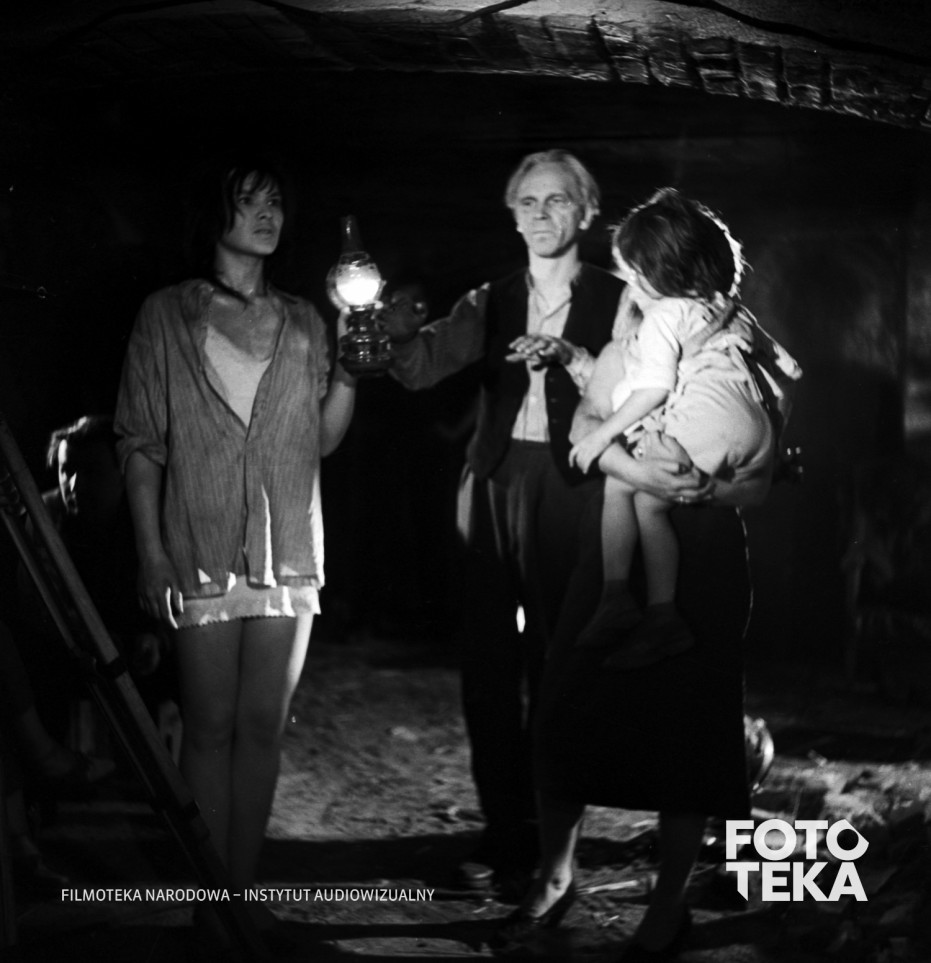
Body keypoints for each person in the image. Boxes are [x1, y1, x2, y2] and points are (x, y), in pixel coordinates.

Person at [498, 262, 788, 961]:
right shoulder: (627, 344)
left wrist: (707, 488)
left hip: (705, 555)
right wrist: (639, 471)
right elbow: (590, 425)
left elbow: (761, 471)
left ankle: (666, 907)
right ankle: (554, 875)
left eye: (646, 275)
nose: (636, 289)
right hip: (614, 556)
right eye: (634, 278)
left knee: (688, 727)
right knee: (568, 700)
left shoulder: (734, 350)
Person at [114, 155, 357, 920]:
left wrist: (351, 372)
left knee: (261, 725)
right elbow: (140, 442)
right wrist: (151, 552)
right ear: (212, 213)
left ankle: (239, 897)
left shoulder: (304, 319)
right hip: (201, 543)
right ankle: (207, 900)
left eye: (274, 200)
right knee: (209, 724)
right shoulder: (166, 314)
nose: (266, 212)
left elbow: (320, 440)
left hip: (288, 548)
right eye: (247, 199)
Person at [379, 149, 623, 893]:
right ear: (512, 216)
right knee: (488, 665)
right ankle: (504, 835)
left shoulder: (620, 299)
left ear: (586, 212)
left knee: (559, 665)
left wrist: (576, 358)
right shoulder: (490, 299)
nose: (541, 215)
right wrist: (393, 333)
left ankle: (555, 845)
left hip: (574, 484)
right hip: (494, 480)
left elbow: (646, 393)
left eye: (557, 201)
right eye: (528, 202)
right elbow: (420, 367)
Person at [567, 188, 801, 668]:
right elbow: (788, 372)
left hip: (709, 434)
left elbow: (651, 391)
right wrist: (771, 445)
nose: (629, 285)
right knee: (646, 495)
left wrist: (601, 437)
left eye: (633, 272)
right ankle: (644, 610)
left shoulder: (663, 319)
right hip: (752, 431)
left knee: (637, 496)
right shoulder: (727, 310)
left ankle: (643, 607)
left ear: (655, 275)